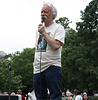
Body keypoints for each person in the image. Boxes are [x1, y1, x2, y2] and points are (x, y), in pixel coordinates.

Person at [33, 2, 65, 100]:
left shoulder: (59, 28)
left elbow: (56, 45)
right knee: (40, 97)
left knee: (55, 95)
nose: (43, 14)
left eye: (46, 12)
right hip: (38, 68)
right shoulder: (38, 30)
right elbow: (38, 48)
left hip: (52, 66)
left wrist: (44, 33)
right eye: (42, 12)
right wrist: (34, 61)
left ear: (53, 15)